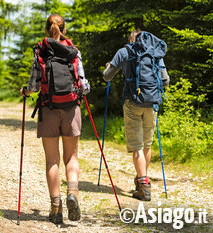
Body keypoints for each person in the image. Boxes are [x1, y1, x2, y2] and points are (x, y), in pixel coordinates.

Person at [20, 14, 90, 224]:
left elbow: (33, 86)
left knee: (52, 160)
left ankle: (56, 208)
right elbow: (84, 86)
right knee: (71, 157)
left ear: (46, 29)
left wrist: (25, 91)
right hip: (71, 108)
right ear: (64, 28)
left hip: (48, 108)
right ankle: (73, 193)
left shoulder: (40, 50)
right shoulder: (74, 51)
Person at [103, 29, 170, 201]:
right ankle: (142, 179)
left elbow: (107, 77)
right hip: (152, 102)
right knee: (146, 143)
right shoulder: (155, 52)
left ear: (131, 39)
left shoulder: (125, 51)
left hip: (132, 101)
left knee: (137, 146)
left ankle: (144, 186)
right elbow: (166, 80)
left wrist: (109, 67)